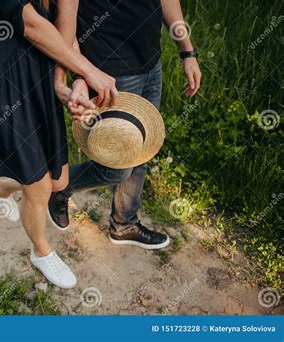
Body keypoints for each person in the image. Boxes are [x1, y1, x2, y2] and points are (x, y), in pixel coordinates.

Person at [0, 0, 118, 288]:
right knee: (41, 185)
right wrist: (89, 70)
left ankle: (1, 186)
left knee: (59, 183)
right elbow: (30, 23)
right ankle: (41, 250)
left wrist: (65, 79)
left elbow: (65, 20)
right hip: (0, 78)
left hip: (40, 75)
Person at [49, 0, 202, 248]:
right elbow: (67, 16)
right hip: (108, 72)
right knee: (114, 168)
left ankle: (124, 224)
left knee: (141, 148)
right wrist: (78, 74)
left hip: (151, 63)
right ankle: (59, 187)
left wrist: (187, 51)